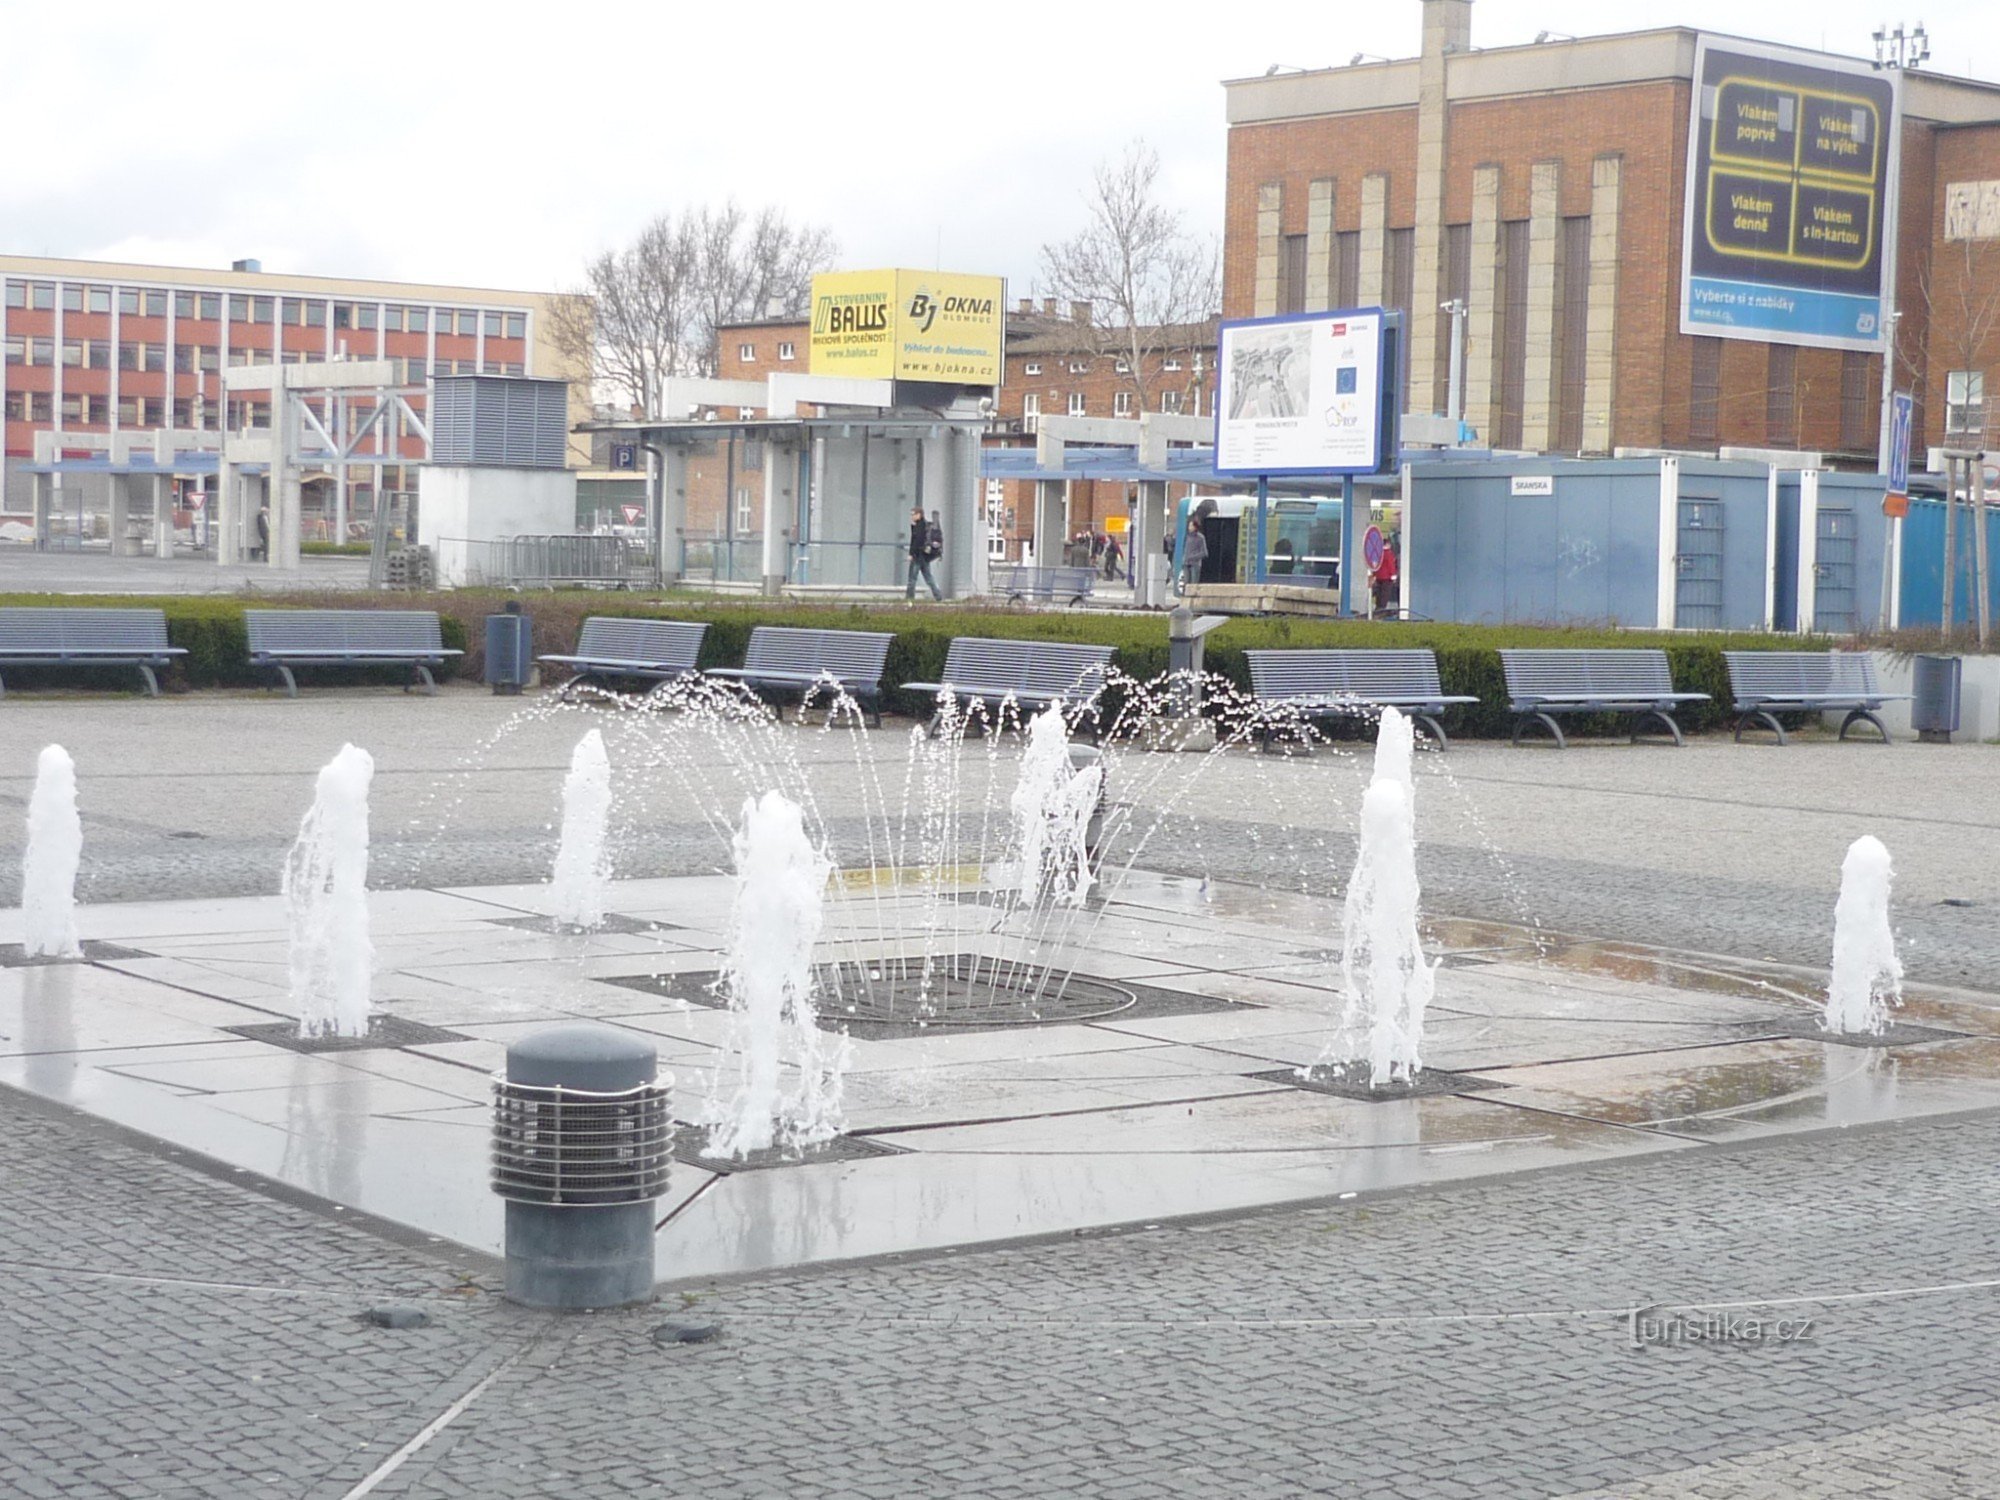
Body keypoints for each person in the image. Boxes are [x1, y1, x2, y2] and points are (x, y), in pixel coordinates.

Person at [906, 505, 942, 601]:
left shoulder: (919, 526)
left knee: (912, 578)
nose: (912, 516)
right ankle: (938, 596)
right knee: (928, 577)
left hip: (917, 556)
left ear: (919, 515)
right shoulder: (923, 525)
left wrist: (911, 554)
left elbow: (915, 541)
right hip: (924, 556)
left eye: (913, 514)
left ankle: (909, 597)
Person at [1372, 536, 1400, 616]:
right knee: (1385, 594)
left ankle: (1377, 608)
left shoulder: (1378, 553)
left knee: (1379, 594)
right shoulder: (1389, 554)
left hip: (1379, 577)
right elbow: (1391, 565)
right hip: (1387, 577)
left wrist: (1375, 575)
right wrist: (1393, 576)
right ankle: (1381, 609)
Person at [1180, 517, 1208, 594]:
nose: (1189, 527)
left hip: (1195, 564)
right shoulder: (1187, 537)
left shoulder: (1200, 538)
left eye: (1191, 525)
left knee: (1194, 583)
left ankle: (1193, 598)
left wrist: (1193, 557)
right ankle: (1185, 596)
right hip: (1186, 563)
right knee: (1186, 582)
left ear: (1195, 527)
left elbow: (1204, 552)